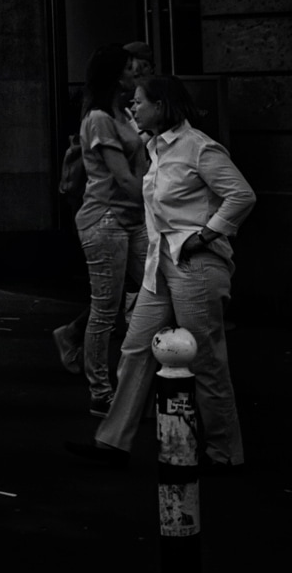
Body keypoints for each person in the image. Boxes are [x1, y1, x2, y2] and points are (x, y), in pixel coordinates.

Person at [69, 75, 256, 471]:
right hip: (162, 263)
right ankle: (113, 441)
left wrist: (205, 235)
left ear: (161, 105)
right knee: (136, 347)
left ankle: (224, 452)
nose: (133, 108)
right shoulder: (157, 148)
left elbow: (242, 194)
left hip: (195, 265)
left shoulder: (198, 147)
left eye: (139, 102)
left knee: (205, 358)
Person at [51, 45, 150, 415]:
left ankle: (134, 379)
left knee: (154, 291)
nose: (135, 72)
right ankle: (100, 391)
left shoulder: (123, 111)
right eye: (128, 68)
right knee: (105, 309)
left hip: (131, 217)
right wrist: (157, 199)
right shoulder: (98, 119)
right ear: (114, 76)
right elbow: (122, 179)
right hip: (106, 219)